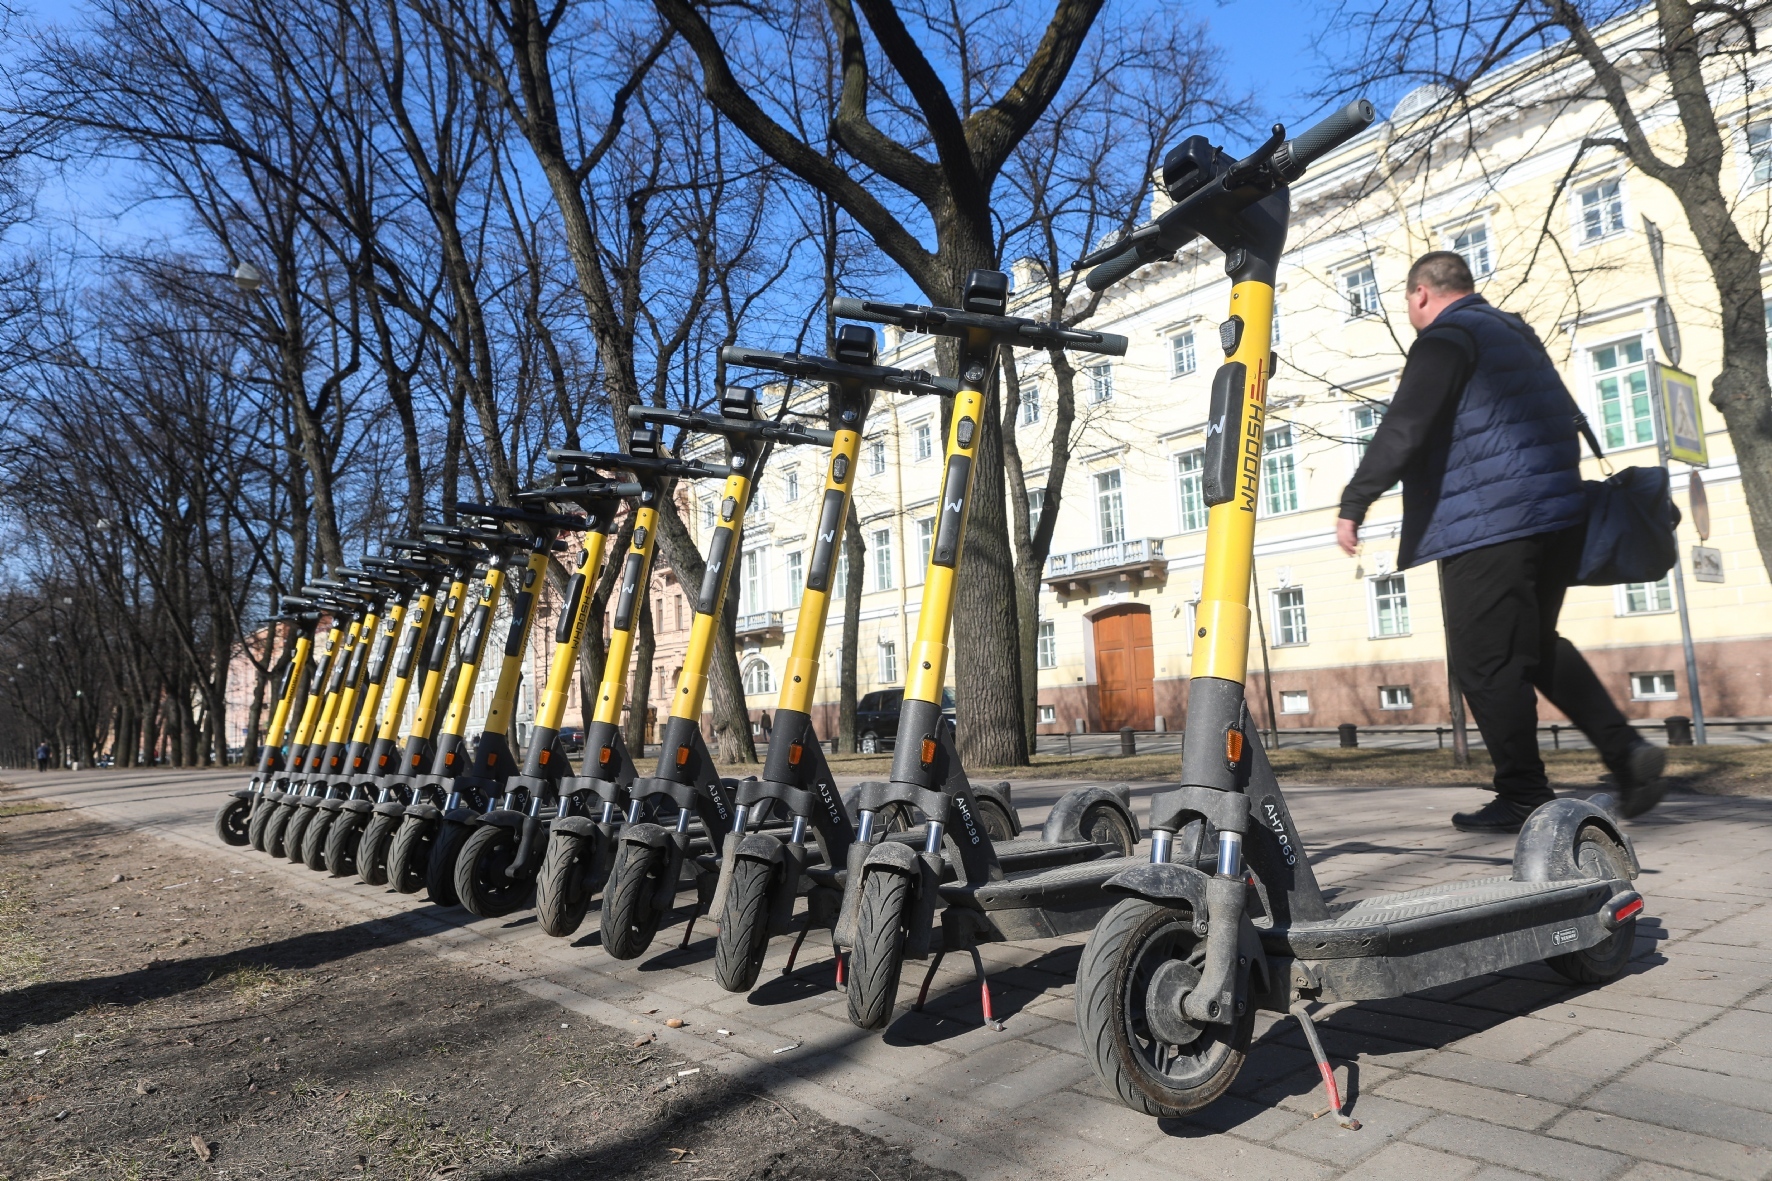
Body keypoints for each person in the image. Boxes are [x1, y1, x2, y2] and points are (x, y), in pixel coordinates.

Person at [1336, 251, 1666, 833]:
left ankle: (1523, 795)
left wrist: (1355, 501)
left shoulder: (1447, 337)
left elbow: (1405, 425)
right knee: (1534, 647)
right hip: (1556, 514)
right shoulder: (1514, 331)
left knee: (1484, 663)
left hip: (1488, 524)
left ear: (1420, 295)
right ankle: (1626, 753)